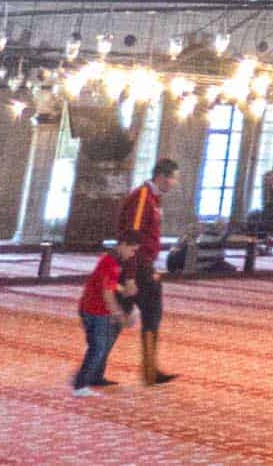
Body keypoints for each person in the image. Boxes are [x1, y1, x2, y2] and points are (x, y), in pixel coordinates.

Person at [118, 157, 179, 385]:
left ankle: (150, 368)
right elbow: (132, 235)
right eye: (173, 178)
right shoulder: (143, 196)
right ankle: (149, 370)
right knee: (148, 315)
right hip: (139, 267)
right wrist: (132, 275)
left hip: (144, 265)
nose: (174, 183)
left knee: (126, 316)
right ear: (162, 176)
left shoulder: (154, 198)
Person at [72, 235, 138, 395]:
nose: (133, 254)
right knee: (98, 348)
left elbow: (107, 283)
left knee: (103, 345)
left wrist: (123, 290)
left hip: (92, 308)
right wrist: (118, 314)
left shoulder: (110, 260)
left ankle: (95, 377)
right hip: (96, 311)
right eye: (132, 249)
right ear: (123, 244)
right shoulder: (111, 263)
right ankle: (80, 385)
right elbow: (107, 293)